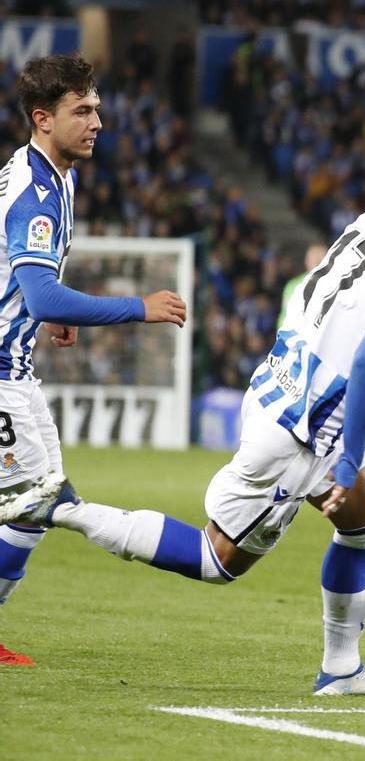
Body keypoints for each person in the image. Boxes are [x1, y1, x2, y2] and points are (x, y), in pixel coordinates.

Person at [0, 141, 365, 694]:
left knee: (364, 524)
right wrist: (350, 458)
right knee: (216, 559)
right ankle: (68, 511)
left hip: (281, 389)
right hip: (304, 431)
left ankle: (341, 669)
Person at [0, 54, 188, 666]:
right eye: (81, 111)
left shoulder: (57, 176)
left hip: (18, 371)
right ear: (42, 118)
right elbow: (43, 289)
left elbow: (31, 283)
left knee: (29, 510)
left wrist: (42, 310)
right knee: (44, 502)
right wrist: (138, 306)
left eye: (97, 107)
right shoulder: (34, 192)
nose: (97, 121)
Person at [278, 242, 328, 328]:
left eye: (320, 259)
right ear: (306, 261)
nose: (317, 263)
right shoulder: (293, 286)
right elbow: (285, 317)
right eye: (313, 259)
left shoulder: (336, 283)